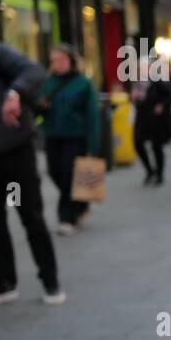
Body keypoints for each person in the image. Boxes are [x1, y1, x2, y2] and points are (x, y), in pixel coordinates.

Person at [0, 31, 64, 306]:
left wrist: (14, 93)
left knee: (30, 216)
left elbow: (33, 71)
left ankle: (50, 280)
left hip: (12, 151)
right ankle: (4, 282)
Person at [38, 44, 101, 236]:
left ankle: (67, 218)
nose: (57, 64)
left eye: (61, 59)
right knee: (55, 173)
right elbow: (39, 110)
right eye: (54, 60)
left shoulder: (83, 83)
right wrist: (41, 107)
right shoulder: (48, 83)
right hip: (53, 136)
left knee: (69, 176)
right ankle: (82, 203)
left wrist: (93, 145)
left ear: (71, 61)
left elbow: (92, 116)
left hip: (76, 137)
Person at [131, 66, 171, 187]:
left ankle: (160, 175)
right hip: (142, 119)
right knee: (137, 142)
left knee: (157, 147)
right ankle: (150, 170)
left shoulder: (157, 80)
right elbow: (137, 100)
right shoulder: (139, 83)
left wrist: (161, 105)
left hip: (156, 121)